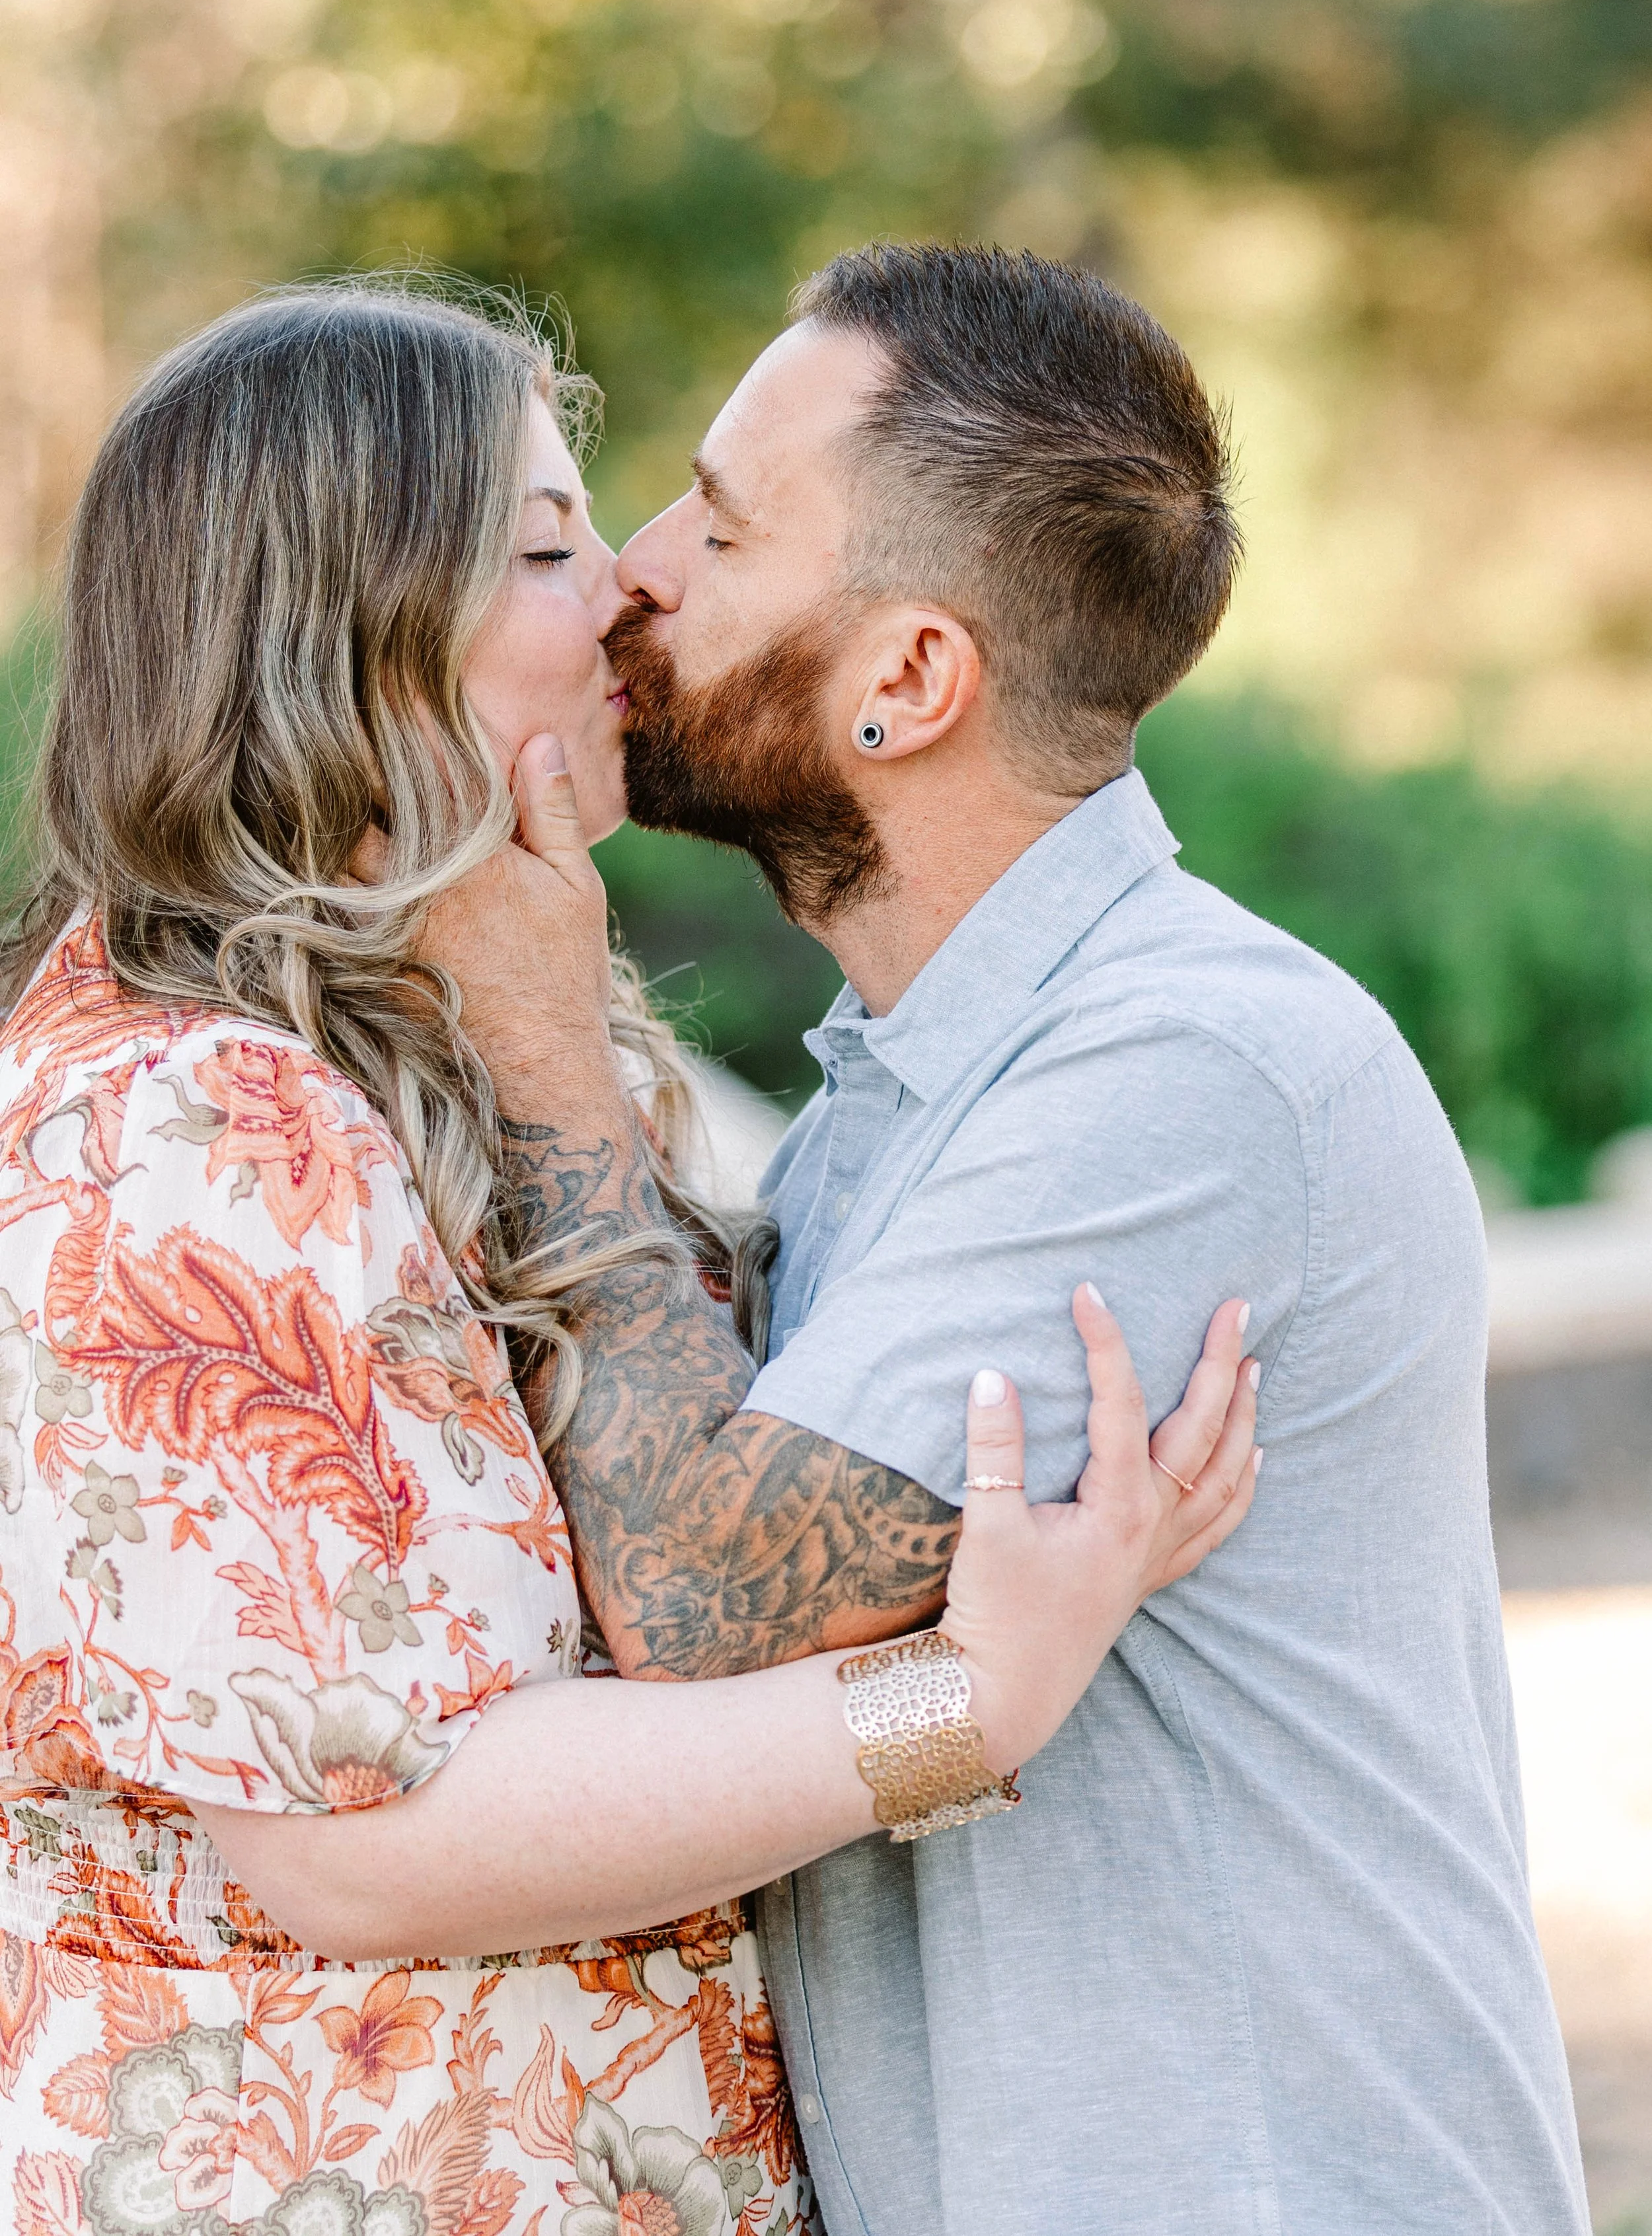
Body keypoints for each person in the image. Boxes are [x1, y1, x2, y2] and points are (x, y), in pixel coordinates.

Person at [0, 281, 1260, 2236]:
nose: (626, 594)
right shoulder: (194, 1129)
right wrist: (970, 1699)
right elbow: (357, 1844)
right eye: (542, 542)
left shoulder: (448, 1050)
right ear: (337, 630)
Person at [429, 244, 1591, 2235]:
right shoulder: (920, 1088)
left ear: (906, 680)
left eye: (718, 524)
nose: (633, 570)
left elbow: (710, 1607)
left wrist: (536, 1041)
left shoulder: (1190, 1067)